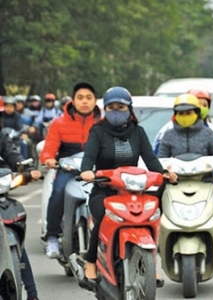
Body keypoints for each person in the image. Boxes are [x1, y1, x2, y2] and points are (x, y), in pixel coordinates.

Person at [79, 86, 178, 287]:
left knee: (152, 215)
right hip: (105, 190)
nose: (116, 111)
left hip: (133, 191)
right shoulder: (98, 131)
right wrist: (87, 170)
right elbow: (89, 156)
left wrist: (163, 174)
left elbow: (150, 158)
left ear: (130, 109)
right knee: (100, 219)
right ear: (105, 109)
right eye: (112, 107)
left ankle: (153, 262)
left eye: (121, 107)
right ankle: (91, 262)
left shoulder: (138, 132)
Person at [157, 93, 213, 256]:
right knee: (155, 199)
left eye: (189, 113)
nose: (185, 116)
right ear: (175, 115)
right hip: (175, 181)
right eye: (181, 113)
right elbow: (161, 157)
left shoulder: (208, 134)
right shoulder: (168, 134)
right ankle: (159, 236)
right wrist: (165, 172)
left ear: (197, 113)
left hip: (205, 179)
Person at [40, 82, 101, 258]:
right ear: (72, 101)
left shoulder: (103, 124)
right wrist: (49, 159)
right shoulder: (59, 123)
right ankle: (52, 237)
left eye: (89, 98)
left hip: (95, 172)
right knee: (57, 192)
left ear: (95, 101)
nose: (84, 102)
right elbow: (49, 149)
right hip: (67, 169)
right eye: (80, 98)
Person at [0, 119, 42, 300]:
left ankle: (32, 295)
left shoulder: (1, 136)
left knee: (14, 231)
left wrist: (26, 168)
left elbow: (13, 154)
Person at [153, 88, 213, 155]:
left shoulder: (212, 130)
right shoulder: (167, 130)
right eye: (198, 104)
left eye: (205, 105)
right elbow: (158, 157)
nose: (201, 108)